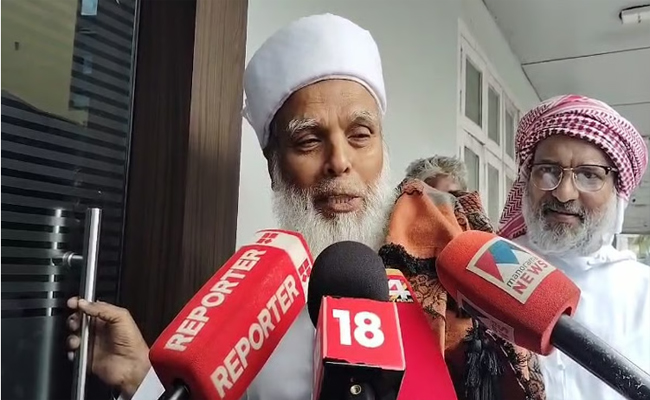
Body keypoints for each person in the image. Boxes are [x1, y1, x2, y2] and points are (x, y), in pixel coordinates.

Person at [66, 14, 545, 400]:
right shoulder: (251, 305)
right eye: (309, 140)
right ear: (273, 165)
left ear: (383, 149)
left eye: (360, 135)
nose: (339, 162)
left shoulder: (450, 279)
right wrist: (144, 380)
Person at [498, 94, 650, 400]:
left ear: (618, 190)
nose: (564, 193)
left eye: (589, 175)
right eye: (548, 170)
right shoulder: (491, 267)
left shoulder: (643, 292)